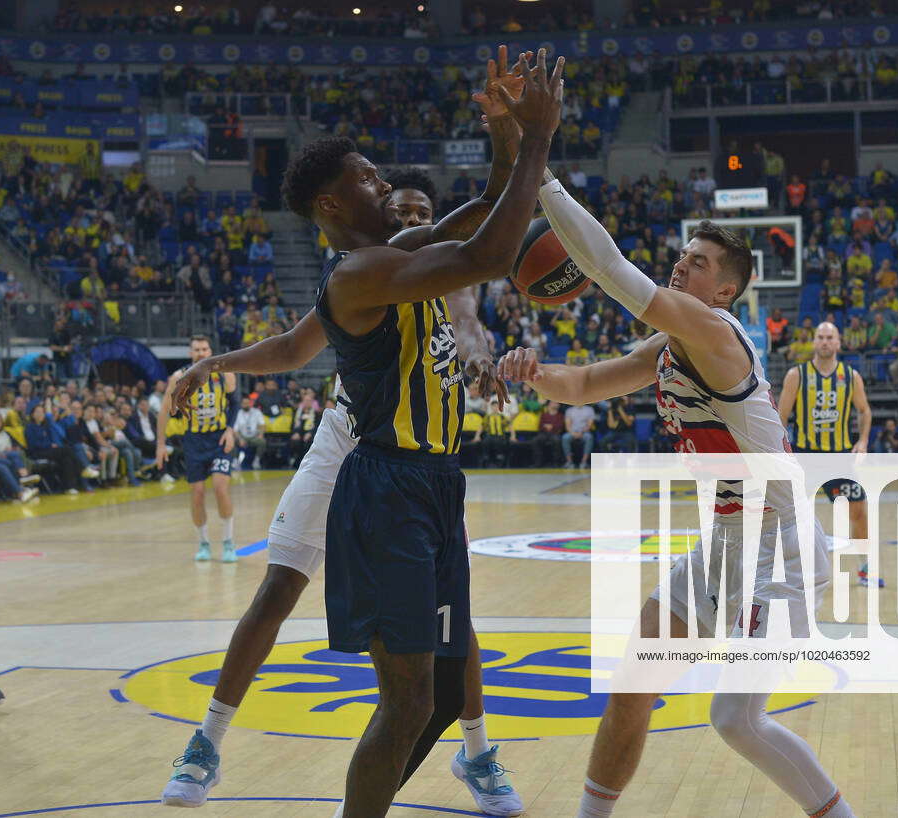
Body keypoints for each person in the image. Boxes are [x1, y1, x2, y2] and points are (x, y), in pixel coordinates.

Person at [160, 46, 558, 817]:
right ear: (334, 207)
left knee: (432, 678)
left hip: (434, 477)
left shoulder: (393, 250)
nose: (388, 188)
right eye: (371, 180)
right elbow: (492, 251)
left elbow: (482, 208)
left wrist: (507, 132)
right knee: (392, 687)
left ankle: (475, 751)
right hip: (380, 472)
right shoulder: (358, 273)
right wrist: (540, 137)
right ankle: (207, 741)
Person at [507, 175, 855, 815]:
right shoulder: (670, 347)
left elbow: (610, 268)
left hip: (781, 549)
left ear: (725, 291)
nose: (681, 264)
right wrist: (532, 373)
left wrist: (543, 180)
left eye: (698, 263)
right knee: (631, 688)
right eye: (683, 255)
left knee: (736, 722)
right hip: (726, 541)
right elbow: (583, 383)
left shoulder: (718, 334)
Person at [776, 321, 875, 585]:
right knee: (791, 517)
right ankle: (789, 571)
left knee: (859, 512)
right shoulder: (797, 375)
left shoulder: (851, 376)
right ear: (813, 342)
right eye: (820, 337)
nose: (825, 342)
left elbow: (865, 411)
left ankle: (864, 568)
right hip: (805, 457)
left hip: (839, 458)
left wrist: (862, 441)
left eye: (830, 337)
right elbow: (781, 418)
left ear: (839, 342)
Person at [156, 334, 238, 563]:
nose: (201, 353)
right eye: (196, 349)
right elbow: (164, 411)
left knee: (221, 487)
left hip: (219, 439)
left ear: (210, 351)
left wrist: (230, 429)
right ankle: (203, 543)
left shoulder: (225, 374)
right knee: (198, 493)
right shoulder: (178, 378)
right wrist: (161, 444)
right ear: (190, 352)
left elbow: (236, 404)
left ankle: (228, 542)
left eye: (204, 349)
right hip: (193, 439)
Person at [232, 395, 266, 469]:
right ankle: (235, 461)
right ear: (241, 404)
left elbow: (262, 425)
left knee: (262, 441)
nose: (246, 405)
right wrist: (240, 439)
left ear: (251, 403)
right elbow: (235, 430)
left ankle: (256, 460)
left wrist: (261, 434)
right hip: (242, 436)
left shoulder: (257, 412)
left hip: (254, 436)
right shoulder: (238, 413)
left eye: (248, 403)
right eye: (244, 403)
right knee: (232, 440)